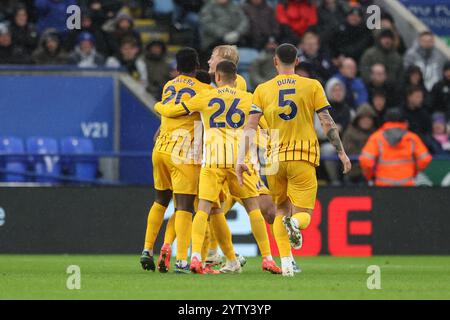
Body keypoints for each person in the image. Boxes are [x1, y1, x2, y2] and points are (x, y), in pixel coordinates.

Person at [155, 60, 282, 275]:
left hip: (212, 160)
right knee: (253, 208)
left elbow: (174, 110)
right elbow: (265, 127)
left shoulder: (205, 97)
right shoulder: (249, 99)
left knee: (203, 210)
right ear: (236, 78)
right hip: (239, 161)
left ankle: (195, 258)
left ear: (218, 77)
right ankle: (268, 258)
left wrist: (158, 105)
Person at [237, 44, 352, 276]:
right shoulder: (312, 86)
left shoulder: (262, 89)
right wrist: (341, 152)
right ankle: (295, 225)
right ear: (297, 62)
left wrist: (241, 158)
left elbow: (250, 126)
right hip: (302, 156)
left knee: (280, 210)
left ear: (275, 62)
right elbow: (327, 121)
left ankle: (287, 263)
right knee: (303, 215)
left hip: (273, 159)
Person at [140, 48, 211, 273]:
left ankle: (147, 250)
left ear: (177, 67)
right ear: (198, 66)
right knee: (184, 206)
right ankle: (181, 260)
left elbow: (165, 114)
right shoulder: (204, 90)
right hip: (183, 150)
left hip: (160, 147)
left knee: (160, 200)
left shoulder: (168, 86)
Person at [359, 108, 432, 186]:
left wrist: (370, 176)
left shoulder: (376, 138)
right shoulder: (412, 138)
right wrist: (413, 172)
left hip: (382, 187)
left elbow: (365, 161)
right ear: (403, 120)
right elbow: (425, 159)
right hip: (406, 187)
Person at [320, 77, 352, 185]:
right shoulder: (322, 108)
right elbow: (319, 131)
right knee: (328, 150)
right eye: (335, 90)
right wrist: (332, 130)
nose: (338, 93)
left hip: (346, 140)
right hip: (326, 142)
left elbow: (349, 129)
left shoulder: (348, 109)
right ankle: (334, 180)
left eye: (340, 90)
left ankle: (349, 178)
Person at [342, 104, 377, 184]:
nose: (366, 121)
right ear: (358, 119)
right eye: (363, 119)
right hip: (354, 172)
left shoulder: (376, 134)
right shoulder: (350, 133)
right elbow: (347, 151)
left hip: (373, 171)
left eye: (369, 119)